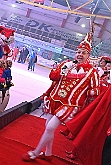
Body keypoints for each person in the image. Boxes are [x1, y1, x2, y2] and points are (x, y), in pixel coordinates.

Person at [22, 31, 100, 162]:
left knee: (50, 127)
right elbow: (53, 77)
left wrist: (87, 105)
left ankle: (35, 153)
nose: (80, 55)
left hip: (71, 104)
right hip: (55, 100)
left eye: (83, 52)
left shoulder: (92, 72)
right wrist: (62, 69)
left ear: (89, 55)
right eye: (78, 52)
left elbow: (95, 92)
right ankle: (48, 154)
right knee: (49, 128)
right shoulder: (67, 64)